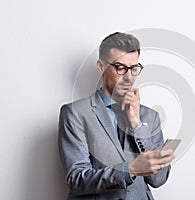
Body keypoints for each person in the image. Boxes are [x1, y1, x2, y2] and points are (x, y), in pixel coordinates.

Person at [58, 32, 175, 200]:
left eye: (134, 68)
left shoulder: (150, 116)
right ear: (101, 66)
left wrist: (136, 124)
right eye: (120, 67)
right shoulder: (74, 114)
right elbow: (76, 180)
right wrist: (131, 169)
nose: (128, 77)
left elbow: (158, 179)